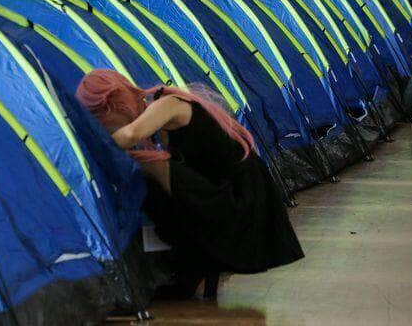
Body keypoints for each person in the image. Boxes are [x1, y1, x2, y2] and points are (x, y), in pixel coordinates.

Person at [75, 69, 304, 299]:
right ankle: (193, 266)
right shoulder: (159, 113)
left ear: (114, 105)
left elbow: (130, 135)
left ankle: (192, 267)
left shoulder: (168, 104)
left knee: (151, 169)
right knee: (149, 182)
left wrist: (85, 149)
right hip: (223, 193)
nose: (107, 129)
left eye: (102, 122)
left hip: (243, 199)